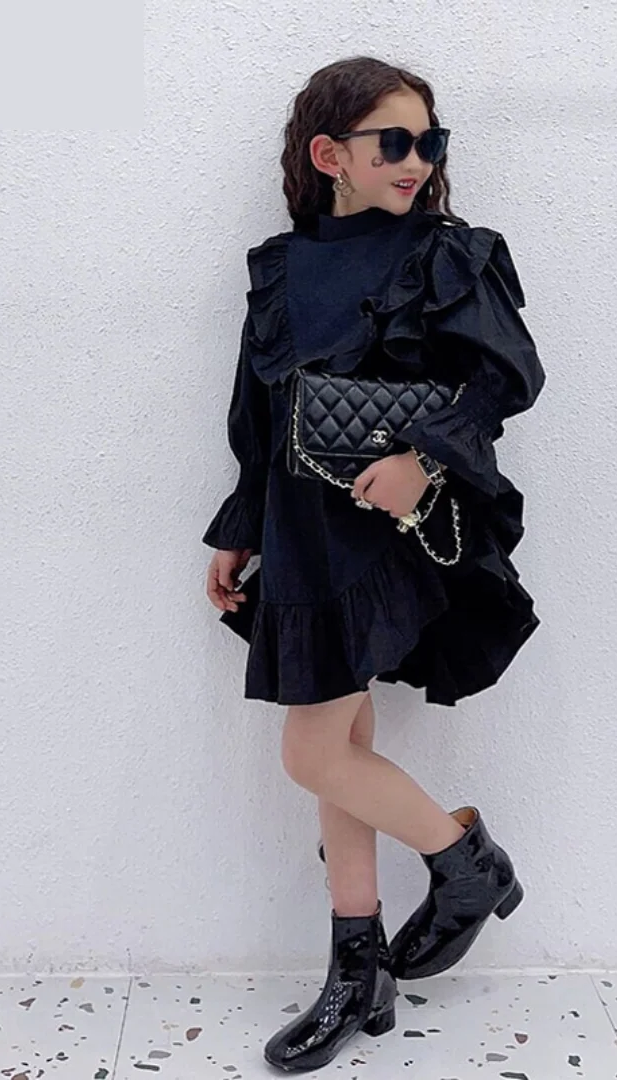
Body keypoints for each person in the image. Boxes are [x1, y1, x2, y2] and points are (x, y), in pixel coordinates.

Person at [201, 55, 546, 1073]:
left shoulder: (446, 254)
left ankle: (466, 862)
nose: (416, 159)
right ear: (329, 155)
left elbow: (505, 378)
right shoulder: (283, 268)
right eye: (394, 141)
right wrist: (239, 525)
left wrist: (421, 459)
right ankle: (360, 970)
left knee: (311, 752)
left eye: (429, 141)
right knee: (341, 741)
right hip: (299, 527)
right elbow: (259, 413)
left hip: (387, 528)